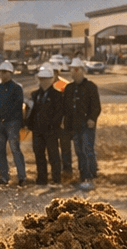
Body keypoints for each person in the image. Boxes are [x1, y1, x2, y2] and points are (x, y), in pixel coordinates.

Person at [63, 58, 102, 191]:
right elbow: (66, 109)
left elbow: (96, 106)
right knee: (79, 151)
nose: (72, 72)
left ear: (81, 71)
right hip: (75, 125)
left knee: (87, 150)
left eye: (75, 69)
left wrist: (92, 118)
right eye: (72, 70)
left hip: (86, 125)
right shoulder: (69, 89)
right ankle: (83, 175)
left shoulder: (90, 87)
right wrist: (66, 125)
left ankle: (89, 176)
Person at [24, 65, 65, 187]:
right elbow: (30, 111)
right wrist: (29, 124)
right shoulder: (35, 95)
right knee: (39, 155)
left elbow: (59, 113)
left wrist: (53, 125)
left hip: (51, 131)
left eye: (46, 78)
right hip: (37, 130)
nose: (43, 81)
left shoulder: (57, 95)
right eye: (41, 78)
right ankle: (42, 179)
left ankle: (56, 179)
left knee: (53, 155)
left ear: (51, 79)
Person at [0, 60, 26, 187]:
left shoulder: (17, 89)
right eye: (1, 72)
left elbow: (17, 106)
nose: (3, 74)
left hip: (12, 123)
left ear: (10, 73)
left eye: (5, 72)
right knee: (0, 151)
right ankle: (4, 177)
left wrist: (6, 117)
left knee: (15, 149)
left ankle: (22, 177)